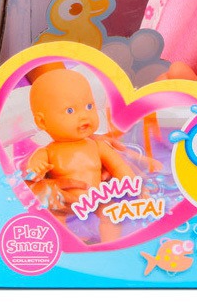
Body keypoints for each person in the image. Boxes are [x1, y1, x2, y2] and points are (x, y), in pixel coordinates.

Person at [24, 64, 146, 242]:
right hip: (63, 200)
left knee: (112, 214)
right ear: (42, 122)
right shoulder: (47, 152)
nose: (84, 116)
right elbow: (33, 171)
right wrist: (37, 169)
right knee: (55, 217)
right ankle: (69, 243)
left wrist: (135, 186)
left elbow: (119, 167)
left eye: (89, 106)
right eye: (70, 110)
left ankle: (109, 245)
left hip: (96, 197)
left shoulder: (97, 146)